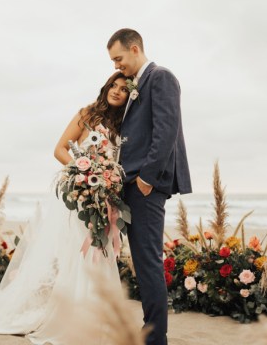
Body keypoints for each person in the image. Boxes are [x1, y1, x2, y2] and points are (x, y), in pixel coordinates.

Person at [0, 72, 130, 345]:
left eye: (124, 89)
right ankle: (71, 315)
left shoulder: (125, 124)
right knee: (76, 252)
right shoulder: (87, 114)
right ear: (106, 87)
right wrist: (81, 174)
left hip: (103, 198)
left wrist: (105, 184)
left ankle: (96, 315)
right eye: (114, 86)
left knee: (100, 251)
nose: (117, 91)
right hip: (78, 196)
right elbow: (59, 149)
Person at [107, 28, 192, 345]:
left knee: (148, 260)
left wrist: (146, 179)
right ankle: (151, 331)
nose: (117, 65)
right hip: (131, 183)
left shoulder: (161, 77)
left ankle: (156, 337)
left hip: (146, 185)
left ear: (134, 49)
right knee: (142, 262)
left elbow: (166, 132)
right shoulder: (136, 86)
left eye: (118, 58)